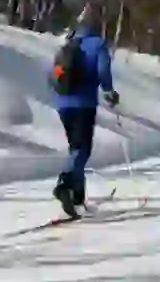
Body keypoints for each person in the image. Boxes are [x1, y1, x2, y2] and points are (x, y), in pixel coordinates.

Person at [49, 12, 119, 217]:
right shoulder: (98, 45)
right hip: (84, 104)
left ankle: (78, 199)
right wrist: (109, 91)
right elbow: (103, 69)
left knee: (75, 148)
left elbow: (51, 75)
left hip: (63, 105)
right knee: (82, 149)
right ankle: (66, 181)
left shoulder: (67, 46)